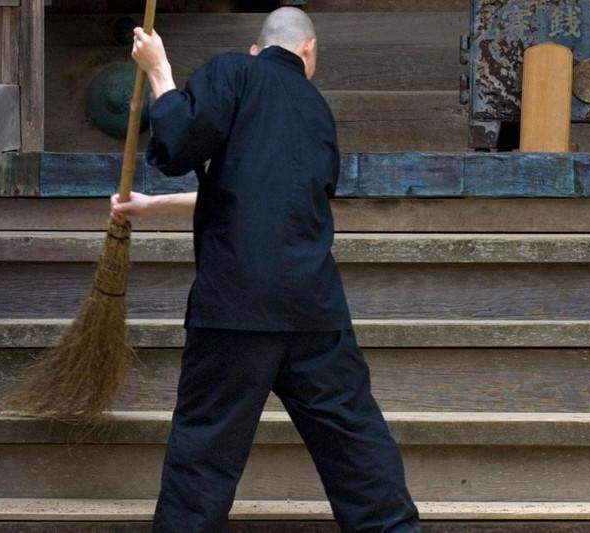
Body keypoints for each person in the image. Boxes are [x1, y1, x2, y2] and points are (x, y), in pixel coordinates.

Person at [116, 7, 421, 532]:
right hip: (313, 309)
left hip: (236, 304)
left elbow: (181, 142)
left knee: (204, 457)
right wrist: (153, 207)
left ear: (257, 50)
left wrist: (159, 68)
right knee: (356, 448)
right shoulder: (317, 110)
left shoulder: (236, 71)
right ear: (309, 51)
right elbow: (261, 196)